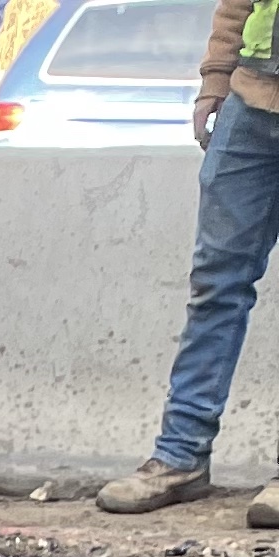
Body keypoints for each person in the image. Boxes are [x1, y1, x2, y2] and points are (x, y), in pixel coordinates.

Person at [96, 0, 279, 520]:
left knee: (220, 287)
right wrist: (216, 82)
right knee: (216, 286)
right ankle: (180, 457)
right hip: (252, 103)